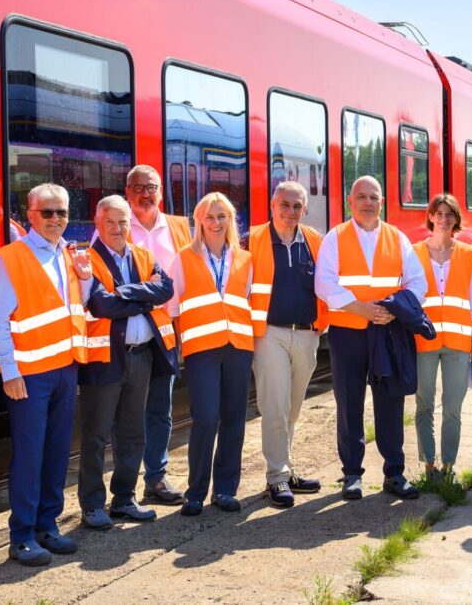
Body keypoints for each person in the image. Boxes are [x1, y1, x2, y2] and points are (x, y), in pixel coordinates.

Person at [0, 183, 93, 567]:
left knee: (57, 452)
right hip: (30, 375)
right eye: (47, 212)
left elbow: (75, 308)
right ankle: (21, 537)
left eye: (62, 212)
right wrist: (9, 371)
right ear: (30, 215)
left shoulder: (68, 254)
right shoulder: (11, 258)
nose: (55, 220)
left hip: (64, 369)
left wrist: (84, 278)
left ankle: (48, 525)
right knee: (29, 456)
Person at [315, 175, 427, 500]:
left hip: (388, 331)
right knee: (349, 403)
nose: (368, 203)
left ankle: (394, 473)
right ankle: (352, 474)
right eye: (361, 197)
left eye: (373, 197)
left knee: (390, 402)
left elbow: (417, 282)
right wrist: (362, 309)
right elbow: (324, 284)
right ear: (350, 202)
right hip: (348, 332)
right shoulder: (335, 238)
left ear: (382, 202)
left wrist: (394, 309)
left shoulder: (398, 238)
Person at [77, 196, 176, 530]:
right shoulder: (87, 258)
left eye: (123, 222)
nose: (118, 229)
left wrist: (125, 293)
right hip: (105, 359)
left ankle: (123, 499)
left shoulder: (143, 255)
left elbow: (165, 288)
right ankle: (91, 505)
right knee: (96, 434)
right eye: (111, 222)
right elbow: (101, 305)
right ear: (97, 222)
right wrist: (141, 298)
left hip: (142, 356)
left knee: (133, 433)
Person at [166, 193, 254, 516]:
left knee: (234, 419)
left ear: (230, 221)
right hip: (201, 350)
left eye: (222, 217)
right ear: (199, 221)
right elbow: (172, 307)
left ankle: (226, 490)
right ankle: (196, 492)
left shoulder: (244, 259)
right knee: (205, 418)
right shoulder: (183, 258)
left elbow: (247, 301)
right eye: (209, 217)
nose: (216, 223)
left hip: (238, 349)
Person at [249, 182, 328, 508]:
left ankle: (288, 468)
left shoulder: (315, 241)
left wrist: (320, 328)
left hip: (307, 334)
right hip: (270, 333)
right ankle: (277, 477)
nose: (290, 211)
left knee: (293, 408)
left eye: (297, 206)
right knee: (276, 406)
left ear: (305, 209)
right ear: (272, 204)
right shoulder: (252, 240)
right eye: (285, 204)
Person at [125, 164, 192, 505]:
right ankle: (124, 489)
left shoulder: (180, 226)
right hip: (131, 333)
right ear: (127, 193)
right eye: (138, 187)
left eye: (151, 186)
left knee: (160, 410)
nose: (145, 193)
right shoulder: (117, 223)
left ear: (161, 192)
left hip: (167, 335)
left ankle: (156, 479)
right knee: (128, 412)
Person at [412, 194, 472, 482]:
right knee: (424, 403)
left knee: (453, 407)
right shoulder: (414, 252)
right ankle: (429, 465)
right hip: (423, 341)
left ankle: (449, 465)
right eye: (438, 213)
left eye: (449, 214)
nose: (443, 218)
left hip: (458, 342)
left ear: (456, 219)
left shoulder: (469, 254)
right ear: (430, 216)